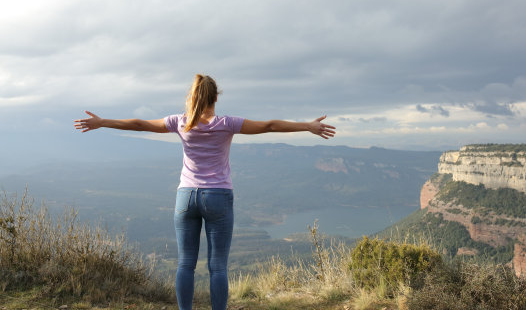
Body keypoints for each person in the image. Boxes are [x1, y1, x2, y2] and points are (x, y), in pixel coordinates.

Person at [73, 74, 336, 310]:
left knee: (185, 263)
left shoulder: (181, 122)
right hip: (218, 196)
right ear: (215, 98)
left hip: (186, 196)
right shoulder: (226, 123)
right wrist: (307, 126)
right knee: (217, 266)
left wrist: (102, 122)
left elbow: (140, 124)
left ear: (194, 96)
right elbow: (269, 126)